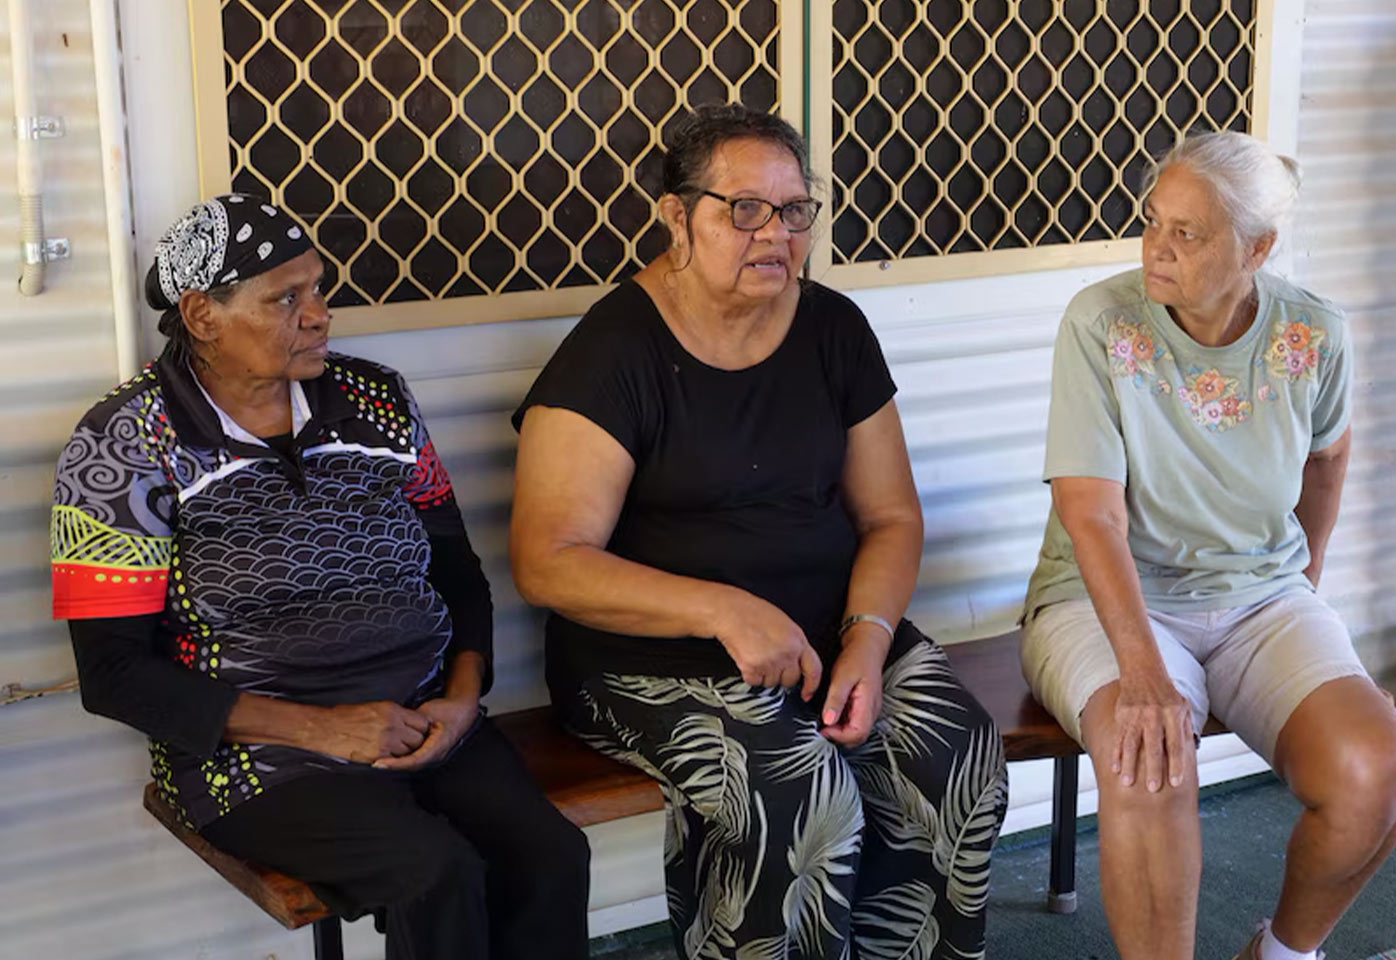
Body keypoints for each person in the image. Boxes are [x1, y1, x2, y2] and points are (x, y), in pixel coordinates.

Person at [509, 104, 1008, 960]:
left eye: (795, 210)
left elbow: (891, 516)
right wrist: (723, 611)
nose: (774, 233)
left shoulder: (833, 330)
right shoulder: (615, 352)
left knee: (957, 755)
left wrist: (866, 638)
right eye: (744, 209)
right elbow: (547, 562)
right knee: (800, 794)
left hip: (828, 635)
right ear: (677, 217)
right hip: (652, 660)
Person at [51, 195, 590, 960]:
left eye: (319, 289)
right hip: (256, 757)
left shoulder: (379, 402)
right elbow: (113, 676)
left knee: (550, 858)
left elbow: (457, 572)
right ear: (203, 315)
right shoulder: (121, 447)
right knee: (433, 875)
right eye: (286, 298)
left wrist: (463, 701)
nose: (320, 315)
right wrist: (328, 729)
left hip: (424, 719)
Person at [1021, 131, 1396, 960]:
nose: (1155, 247)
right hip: (1110, 597)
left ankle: (1280, 954)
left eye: (1187, 233)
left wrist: (1304, 580)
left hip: (1260, 597)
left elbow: (1328, 457)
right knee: (1149, 758)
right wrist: (1141, 673)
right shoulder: (1102, 322)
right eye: (1152, 221)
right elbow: (1091, 514)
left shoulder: (1314, 333)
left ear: (1258, 248)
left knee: (1377, 772)